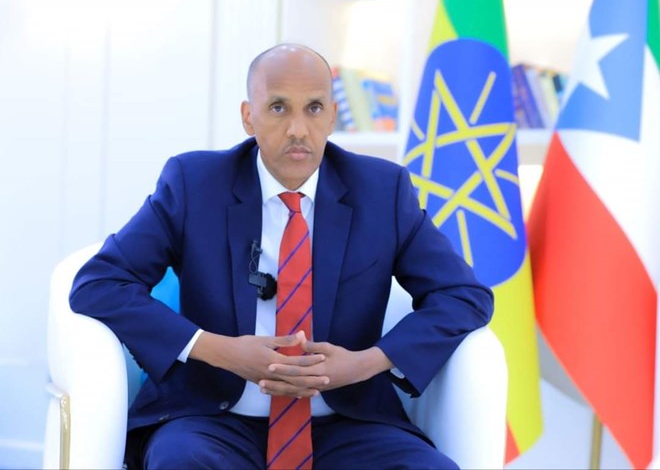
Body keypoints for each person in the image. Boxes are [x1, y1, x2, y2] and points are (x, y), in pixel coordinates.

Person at [70, 43, 494, 469]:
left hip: (347, 423)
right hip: (211, 420)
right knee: (180, 461)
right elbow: (100, 283)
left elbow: (464, 295)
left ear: (332, 115)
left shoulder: (382, 191)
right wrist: (219, 350)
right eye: (278, 108)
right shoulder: (194, 184)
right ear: (248, 116)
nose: (297, 129)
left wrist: (366, 363)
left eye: (314, 108)